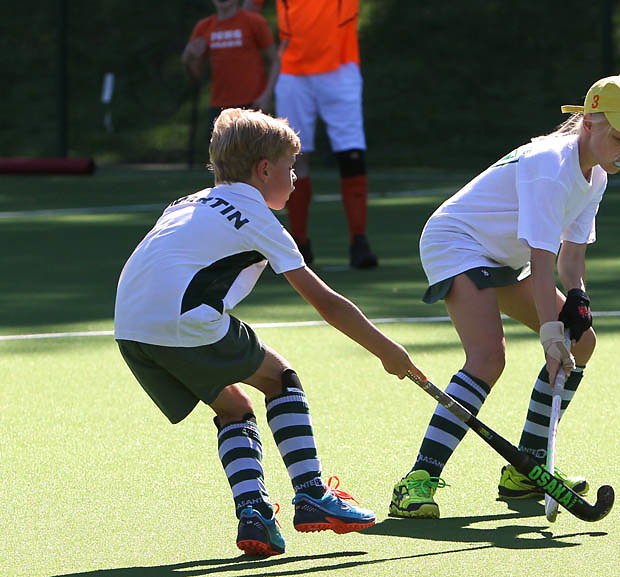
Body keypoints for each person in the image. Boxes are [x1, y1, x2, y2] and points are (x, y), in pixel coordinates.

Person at [114, 108, 424, 556]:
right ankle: (312, 493)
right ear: (264, 170)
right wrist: (387, 350)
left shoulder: (187, 202)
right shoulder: (257, 216)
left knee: (234, 406)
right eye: (290, 167)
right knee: (281, 378)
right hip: (185, 320)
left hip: (130, 328)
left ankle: (254, 514)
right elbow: (326, 302)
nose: (295, 178)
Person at [388, 75, 620, 519]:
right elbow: (541, 258)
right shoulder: (551, 167)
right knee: (488, 358)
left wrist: (577, 300)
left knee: (582, 341)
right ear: (588, 123)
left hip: (503, 252)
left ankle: (527, 469)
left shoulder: (596, 174)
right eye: (619, 138)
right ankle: (417, 479)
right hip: (458, 242)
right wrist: (550, 333)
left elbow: (571, 257)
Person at [244, 0, 377, 269]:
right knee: (292, 155)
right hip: (292, 69)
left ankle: (359, 241)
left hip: (340, 65)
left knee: (351, 154)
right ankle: (299, 243)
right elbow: (249, 11)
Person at [182, 0, 280, 136]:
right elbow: (195, 74)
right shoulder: (204, 27)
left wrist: (266, 96)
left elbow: (275, 61)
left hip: (252, 105)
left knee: (254, 149)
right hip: (220, 107)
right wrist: (187, 58)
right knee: (221, 150)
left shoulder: (254, 22)